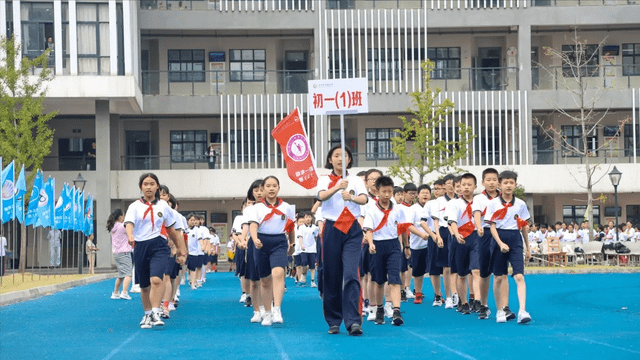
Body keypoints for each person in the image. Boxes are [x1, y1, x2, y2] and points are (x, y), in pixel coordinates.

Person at [316, 145, 368, 336]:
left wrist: (352, 197)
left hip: (352, 229)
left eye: (344, 155)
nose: (340, 159)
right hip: (331, 228)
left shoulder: (355, 180)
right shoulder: (324, 179)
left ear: (349, 159)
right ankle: (333, 321)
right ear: (330, 159)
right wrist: (337, 187)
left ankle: (354, 321)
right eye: (336, 155)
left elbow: (364, 199)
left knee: (351, 274)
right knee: (332, 275)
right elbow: (320, 196)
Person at [124, 173, 187, 329]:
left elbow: (172, 230)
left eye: (152, 184)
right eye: (145, 184)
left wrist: (181, 250)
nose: (149, 187)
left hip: (159, 245)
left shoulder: (163, 206)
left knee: (157, 280)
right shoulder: (134, 206)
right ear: (141, 187)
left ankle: (155, 312)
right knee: (144, 285)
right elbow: (129, 223)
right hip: (140, 246)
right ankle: (147, 314)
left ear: (157, 186)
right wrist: (130, 235)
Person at [364, 176, 429, 326]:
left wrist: (417, 238)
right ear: (378, 191)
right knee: (379, 281)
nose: (387, 194)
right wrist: (371, 243)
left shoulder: (398, 209)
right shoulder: (372, 210)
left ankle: (396, 311)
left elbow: (405, 227)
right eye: (384, 191)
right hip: (378, 246)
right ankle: (379, 308)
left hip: (393, 246)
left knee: (394, 278)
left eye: (390, 191)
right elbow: (368, 229)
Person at [247, 176, 296, 326]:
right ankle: (267, 313)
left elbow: (290, 226)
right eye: (268, 186)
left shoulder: (286, 207)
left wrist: (292, 242)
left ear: (278, 188)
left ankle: (277, 309)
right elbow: (253, 225)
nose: (271, 188)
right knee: (265, 280)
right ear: (263, 189)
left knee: (278, 273)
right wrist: (255, 239)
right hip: (261, 242)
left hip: (279, 241)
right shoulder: (256, 208)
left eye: (274, 185)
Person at [484, 170, 531, 324]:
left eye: (511, 182)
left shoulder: (521, 204)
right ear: (500, 184)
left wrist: (528, 248)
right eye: (505, 182)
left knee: (519, 276)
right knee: (498, 277)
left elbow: (524, 226)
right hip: (499, 238)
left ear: (515, 184)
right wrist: (500, 243)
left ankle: (522, 311)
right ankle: (499, 310)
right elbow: (492, 227)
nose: (509, 185)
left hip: (515, 238)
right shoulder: (493, 204)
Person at [446, 173, 478, 315]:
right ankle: (463, 301)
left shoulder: (479, 202)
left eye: (469, 185)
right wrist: (456, 233)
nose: (465, 187)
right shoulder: (454, 203)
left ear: (475, 186)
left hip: (476, 238)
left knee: (477, 270)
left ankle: (477, 300)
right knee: (462, 274)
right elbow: (452, 220)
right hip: (460, 239)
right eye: (463, 185)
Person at [471, 167, 501, 319]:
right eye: (488, 180)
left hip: (501, 235)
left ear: (499, 182)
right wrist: (478, 227)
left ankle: (503, 307)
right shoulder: (479, 198)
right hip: (485, 234)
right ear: (483, 182)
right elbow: (477, 213)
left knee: (501, 273)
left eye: (494, 180)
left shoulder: (504, 198)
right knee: (484, 272)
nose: (491, 183)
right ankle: (483, 304)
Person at [108, 209, 133, 300]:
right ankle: (124, 292)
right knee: (128, 274)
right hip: (124, 252)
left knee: (121, 274)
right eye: (123, 215)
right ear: (120, 217)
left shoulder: (113, 227)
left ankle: (115, 292)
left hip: (116, 252)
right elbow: (130, 227)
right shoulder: (123, 226)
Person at [300, 212, 319, 287]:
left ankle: (312, 281)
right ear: (304, 218)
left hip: (312, 249)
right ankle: (303, 274)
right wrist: (301, 245)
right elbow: (300, 236)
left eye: (309, 217)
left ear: (311, 218)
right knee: (304, 263)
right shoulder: (301, 227)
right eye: (306, 217)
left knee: (312, 265)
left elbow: (317, 236)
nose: (308, 219)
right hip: (304, 248)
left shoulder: (315, 227)